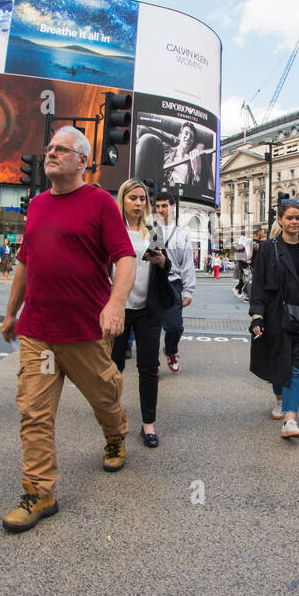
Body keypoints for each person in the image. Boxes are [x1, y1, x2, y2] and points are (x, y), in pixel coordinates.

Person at [0, 126, 136, 533]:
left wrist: (115, 303)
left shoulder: (99, 203)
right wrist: (11, 313)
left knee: (104, 396)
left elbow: (125, 258)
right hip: (39, 331)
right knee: (34, 412)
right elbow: (25, 262)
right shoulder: (38, 205)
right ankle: (39, 492)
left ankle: (116, 434)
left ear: (83, 161)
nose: (51, 153)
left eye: (62, 149)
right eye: (50, 148)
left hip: (84, 330)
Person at [249, 200, 299, 440]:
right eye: (290, 218)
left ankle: (290, 419)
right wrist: (256, 316)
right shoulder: (267, 248)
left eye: (298, 218)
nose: (294, 222)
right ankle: (281, 399)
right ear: (280, 221)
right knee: (279, 365)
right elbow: (259, 285)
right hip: (276, 317)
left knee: (294, 369)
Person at [110, 180, 176, 448]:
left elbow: (165, 262)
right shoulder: (112, 228)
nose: (138, 203)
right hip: (118, 307)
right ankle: (112, 419)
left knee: (149, 367)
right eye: (132, 198)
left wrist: (161, 261)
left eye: (141, 199)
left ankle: (148, 423)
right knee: (113, 367)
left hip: (148, 308)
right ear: (122, 200)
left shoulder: (153, 228)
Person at [153, 194, 195, 374]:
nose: (161, 209)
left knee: (175, 326)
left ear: (173, 207)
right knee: (151, 326)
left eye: (164, 206)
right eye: (158, 206)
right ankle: (151, 363)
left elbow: (187, 263)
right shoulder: (151, 232)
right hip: (152, 283)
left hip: (173, 284)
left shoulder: (182, 234)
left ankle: (171, 351)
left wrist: (189, 290)